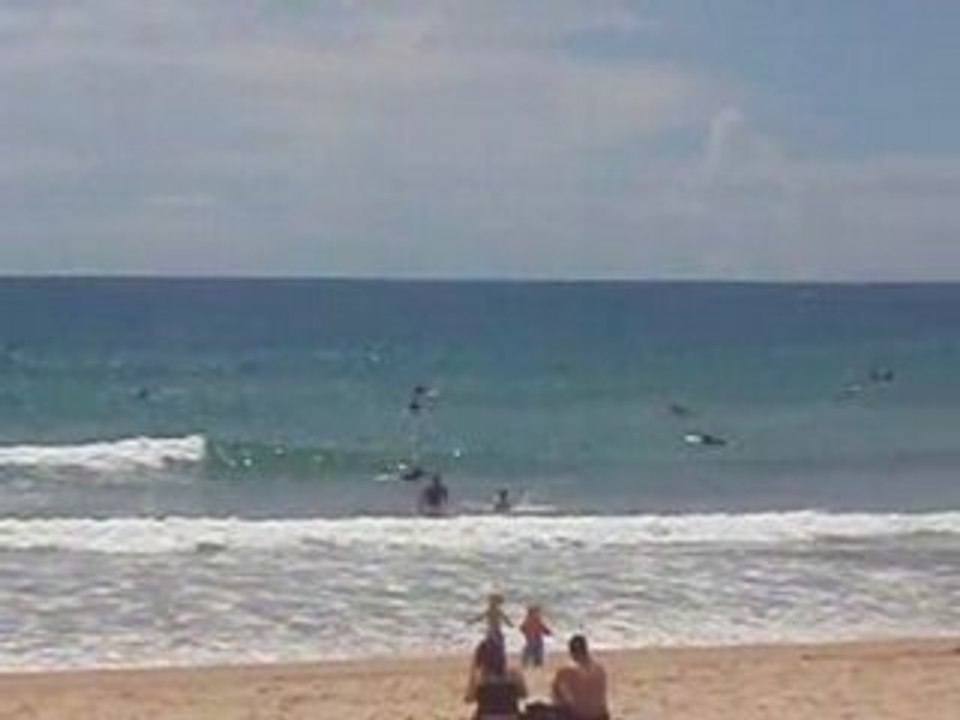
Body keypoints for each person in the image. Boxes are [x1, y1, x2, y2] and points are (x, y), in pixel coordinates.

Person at [465, 637, 527, 720]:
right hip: (511, 716)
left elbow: (469, 699)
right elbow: (523, 695)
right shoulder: (514, 673)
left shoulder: (480, 677)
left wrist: (473, 669)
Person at [550, 635, 609, 720]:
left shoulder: (566, 670)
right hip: (602, 716)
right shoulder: (600, 668)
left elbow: (554, 693)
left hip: (581, 717)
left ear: (571, 652)